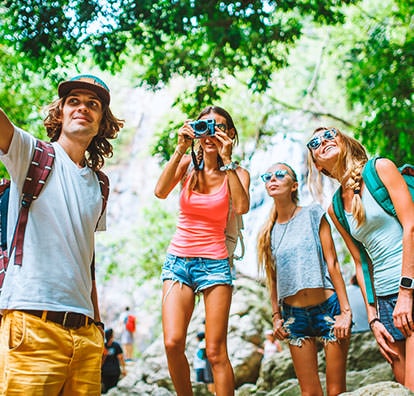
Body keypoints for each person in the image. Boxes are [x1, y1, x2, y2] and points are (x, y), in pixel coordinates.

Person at [0, 74, 124, 395]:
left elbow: (88, 260)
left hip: (85, 337)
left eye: (92, 104)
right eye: (74, 101)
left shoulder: (100, 185)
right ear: (60, 113)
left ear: (101, 122)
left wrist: (97, 328)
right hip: (32, 326)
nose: (83, 108)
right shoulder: (31, 156)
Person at [307, 127, 414, 390]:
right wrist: (373, 318)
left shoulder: (380, 169)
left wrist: (406, 293)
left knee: (410, 386)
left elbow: (411, 226)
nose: (324, 141)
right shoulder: (335, 208)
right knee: (398, 387)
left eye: (329, 134)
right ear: (318, 167)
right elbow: (360, 262)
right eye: (315, 143)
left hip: (409, 288)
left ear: (344, 141)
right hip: (386, 301)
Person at [154, 105, 250, 396]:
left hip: (215, 262)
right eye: (204, 126)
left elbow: (242, 206)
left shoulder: (238, 172)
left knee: (215, 350)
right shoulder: (186, 166)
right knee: (172, 343)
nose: (210, 132)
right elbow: (160, 191)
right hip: (178, 261)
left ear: (230, 134)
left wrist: (227, 160)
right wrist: (180, 149)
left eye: (219, 126)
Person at [257, 162, 352, 396]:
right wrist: (276, 316)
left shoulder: (313, 213)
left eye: (280, 175)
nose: (273, 179)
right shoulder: (267, 232)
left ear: (294, 185)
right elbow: (273, 278)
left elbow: (333, 263)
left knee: (336, 390)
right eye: (267, 176)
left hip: (328, 309)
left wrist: (345, 312)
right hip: (293, 316)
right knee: (309, 393)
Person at [101, 328, 126, 393]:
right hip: (109, 372)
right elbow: (121, 358)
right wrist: (124, 369)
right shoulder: (104, 346)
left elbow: (121, 358)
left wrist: (123, 369)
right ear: (111, 336)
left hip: (111, 372)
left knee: (109, 390)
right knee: (112, 391)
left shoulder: (114, 345)